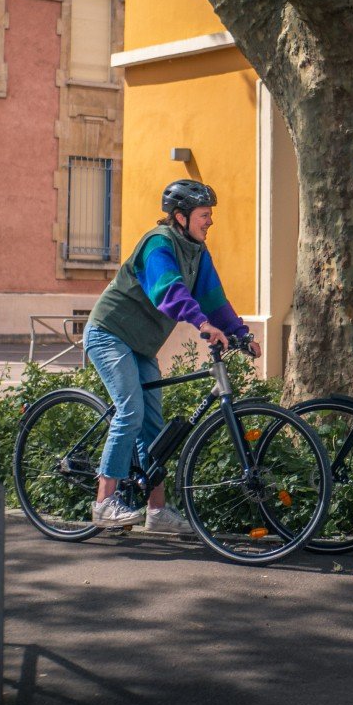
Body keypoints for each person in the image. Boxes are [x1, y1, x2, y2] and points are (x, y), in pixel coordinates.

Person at [82, 179, 261, 532]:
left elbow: (214, 299)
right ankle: (104, 502)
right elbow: (168, 290)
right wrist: (201, 324)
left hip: (141, 345)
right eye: (204, 215)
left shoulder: (197, 252)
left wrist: (240, 333)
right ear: (180, 217)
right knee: (130, 411)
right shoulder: (158, 243)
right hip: (109, 334)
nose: (210, 221)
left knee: (153, 427)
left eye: (210, 215)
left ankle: (156, 512)